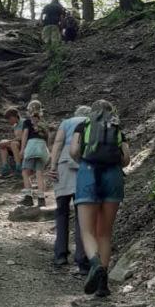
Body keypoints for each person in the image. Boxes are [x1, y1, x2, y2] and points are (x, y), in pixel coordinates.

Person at [70, 99, 130, 298]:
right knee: (104, 232)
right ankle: (103, 286)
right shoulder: (117, 128)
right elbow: (126, 159)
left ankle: (95, 265)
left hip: (88, 173)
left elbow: (74, 151)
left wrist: (85, 159)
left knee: (88, 231)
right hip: (113, 176)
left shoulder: (83, 125)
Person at [49, 105, 91, 271]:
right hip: (84, 163)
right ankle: (82, 258)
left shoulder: (66, 122)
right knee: (82, 211)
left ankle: (60, 254)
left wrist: (52, 166)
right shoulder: (90, 122)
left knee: (62, 210)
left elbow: (58, 143)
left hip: (64, 163)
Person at [19, 99, 52, 207]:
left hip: (31, 147)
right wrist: (48, 150)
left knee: (25, 171)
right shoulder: (44, 122)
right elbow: (48, 136)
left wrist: (22, 149)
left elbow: (24, 135)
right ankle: (41, 198)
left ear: (29, 110)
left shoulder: (27, 122)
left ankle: (28, 196)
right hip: (42, 147)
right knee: (39, 173)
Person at [0, 106, 24, 178]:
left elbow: (22, 137)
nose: (9, 122)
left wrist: (9, 141)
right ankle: (5, 167)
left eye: (9, 119)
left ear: (13, 117)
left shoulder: (23, 122)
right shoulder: (15, 125)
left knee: (13, 144)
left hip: (24, 144)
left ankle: (19, 167)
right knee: (3, 143)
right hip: (17, 144)